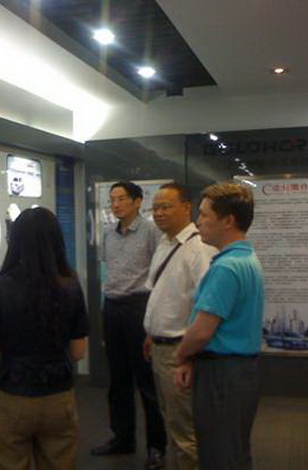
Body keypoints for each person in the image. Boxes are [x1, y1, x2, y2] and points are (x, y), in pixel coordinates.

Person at [0, 207, 89, 470]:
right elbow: (78, 352)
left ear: (14, 240)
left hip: (12, 396)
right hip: (59, 397)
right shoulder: (71, 285)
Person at [174, 183, 264, 470]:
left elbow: (202, 331)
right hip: (239, 373)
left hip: (221, 376)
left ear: (228, 221)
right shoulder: (246, 259)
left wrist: (181, 356)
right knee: (234, 451)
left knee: (219, 454)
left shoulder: (225, 268)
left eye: (204, 214)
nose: (198, 221)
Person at [92, 181, 167, 470]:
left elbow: (159, 274)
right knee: (118, 378)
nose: (115, 204)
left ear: (137, 202)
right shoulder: (108, 233)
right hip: (112, 307)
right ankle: (122, 438)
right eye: (112, 199)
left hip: (138, 307)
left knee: (146, 381)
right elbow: (108, 270)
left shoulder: (151, 231)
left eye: (122, 198)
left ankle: (156, 446)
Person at [143, 183, 217, 470]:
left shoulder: (200, 248)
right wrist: (151, 334)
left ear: (187, 207)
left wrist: (189, 355)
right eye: (155, 208)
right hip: (160, 348)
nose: (159, 213)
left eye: (166, 207)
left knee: (185, 431)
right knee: (171, 422)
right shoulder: (165, 243)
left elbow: (206, 306)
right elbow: (161, 294)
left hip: (180, 352)